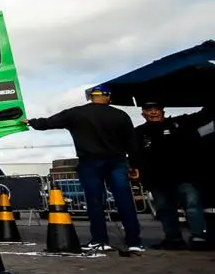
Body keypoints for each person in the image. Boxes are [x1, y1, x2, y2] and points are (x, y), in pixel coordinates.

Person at [25, 85, 143, 253]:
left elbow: (49, 122)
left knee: (94, 202)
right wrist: (135, 165)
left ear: (90, 97)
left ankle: (100, 240)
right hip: (117, 161)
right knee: (124, 201)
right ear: (109, 97)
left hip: (90, 162)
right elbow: (132, 142)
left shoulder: (77, 113)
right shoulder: (120, 115)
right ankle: (134, 242)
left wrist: (31, 122)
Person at [135, 101, 209, 250]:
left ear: (163, 111)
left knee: (192, 206)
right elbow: (134, 153)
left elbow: (203, 115)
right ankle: (173, 239)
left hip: (184, 176)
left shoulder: (180, 123)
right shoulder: (139, 132)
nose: (154, 112)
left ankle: (199, 237)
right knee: (164, 209)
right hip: (157, 179)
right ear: (143, 114)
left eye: (157, 109)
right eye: (149, 110)